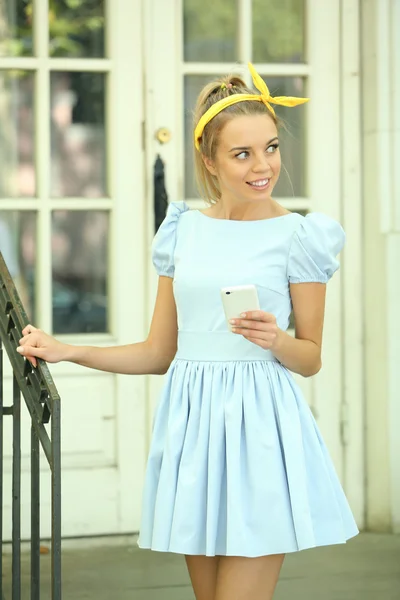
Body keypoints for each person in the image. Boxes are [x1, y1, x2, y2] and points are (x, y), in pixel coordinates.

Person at [17, 63, 359, 600]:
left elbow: (311, 357)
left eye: (270, 148)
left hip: (260, 432)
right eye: (242, 154)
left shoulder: (301, 236)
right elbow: (159, 352)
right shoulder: (183, 231)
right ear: (209, 159)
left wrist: (276, 339)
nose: (262, 165)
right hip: (193, 431)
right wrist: (68, 350)